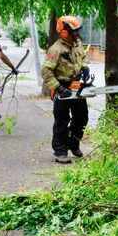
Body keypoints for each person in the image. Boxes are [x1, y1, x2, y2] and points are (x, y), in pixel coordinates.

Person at [41, 15, 89, 164]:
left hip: (76, 85)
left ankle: (73, 143)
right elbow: (46, 71)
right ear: (64, 31)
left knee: (81, 117)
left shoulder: (77, 44)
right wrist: (58, 88)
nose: (76, 34)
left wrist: (85, 68)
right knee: (62, 120)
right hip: (61, 85)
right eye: (73, 31)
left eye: (77, 31)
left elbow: (82, 58)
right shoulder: (56, 49)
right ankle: (60, 151)